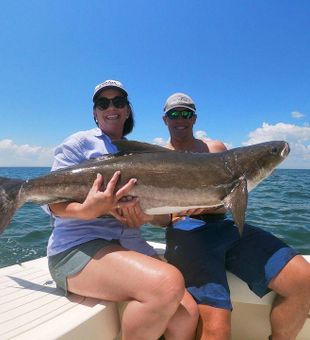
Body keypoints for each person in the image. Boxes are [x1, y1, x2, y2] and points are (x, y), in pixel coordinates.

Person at [45, 81, 199, 340]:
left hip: (128, 245)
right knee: (167, 283)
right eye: (102, 103)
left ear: (127, 110)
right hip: (76, 248)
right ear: (95, 113)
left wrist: (145, 216)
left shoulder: (140, 154)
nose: (111, 107)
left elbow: (162, 218)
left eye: (118, 102)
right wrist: (88, 210)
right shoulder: (79, 144)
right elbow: (51, 202)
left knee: (188, 314)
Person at [162, 92, 310, 340]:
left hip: (224, 227)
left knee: (303, 280)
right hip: (186, 233)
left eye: (186, 113)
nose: (180, 118)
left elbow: (230, 198)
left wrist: (213, 206)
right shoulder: (159, 157)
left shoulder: (215, 148)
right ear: (165, 119)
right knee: (218, 330)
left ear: (194, 118)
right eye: (174, 114)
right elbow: (159, 219)